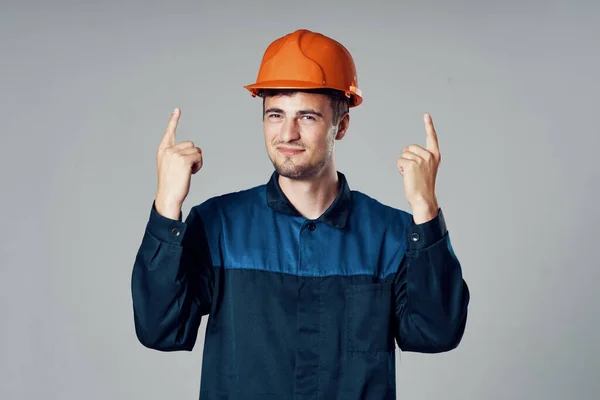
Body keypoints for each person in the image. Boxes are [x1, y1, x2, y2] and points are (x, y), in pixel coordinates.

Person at [131, 29, 470, 400]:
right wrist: (167, 204)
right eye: (275, 114)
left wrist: (425, 209)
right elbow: (161, 330)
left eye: (307, 117)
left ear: (340, 126)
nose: (287, 133)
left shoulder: (391, 234)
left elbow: (435, 332)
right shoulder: (220, 226)